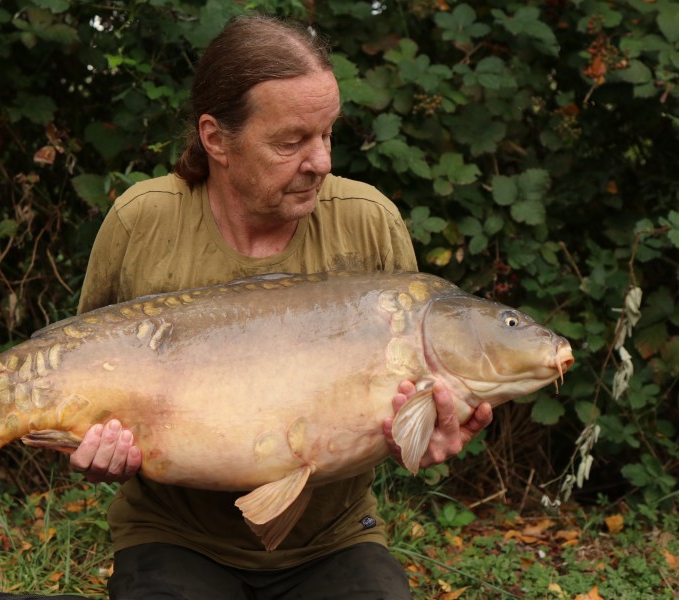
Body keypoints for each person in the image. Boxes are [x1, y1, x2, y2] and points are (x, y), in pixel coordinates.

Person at [70, 15, 493, 599]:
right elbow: (86, 366)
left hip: (333, 538)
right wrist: (89, 442)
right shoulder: (142, 221)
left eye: (327, 134)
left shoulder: (370, 223)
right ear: (216, 138)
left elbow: (405, 415)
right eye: (291, 142)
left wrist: (423, 434)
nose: (319, 161)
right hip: (170, 531)